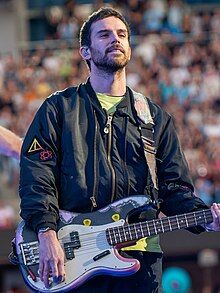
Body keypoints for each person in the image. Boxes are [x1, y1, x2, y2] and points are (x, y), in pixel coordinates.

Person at [19, 7, 220, 293]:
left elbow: (174, 190)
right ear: (85, 52)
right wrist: (46, 231)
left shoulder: (153, 117)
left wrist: (207, 219)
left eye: (122, 34)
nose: (115, 39)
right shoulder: (59, 109)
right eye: (104, 34)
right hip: (70, 257)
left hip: (140, 262)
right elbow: (37, 177)